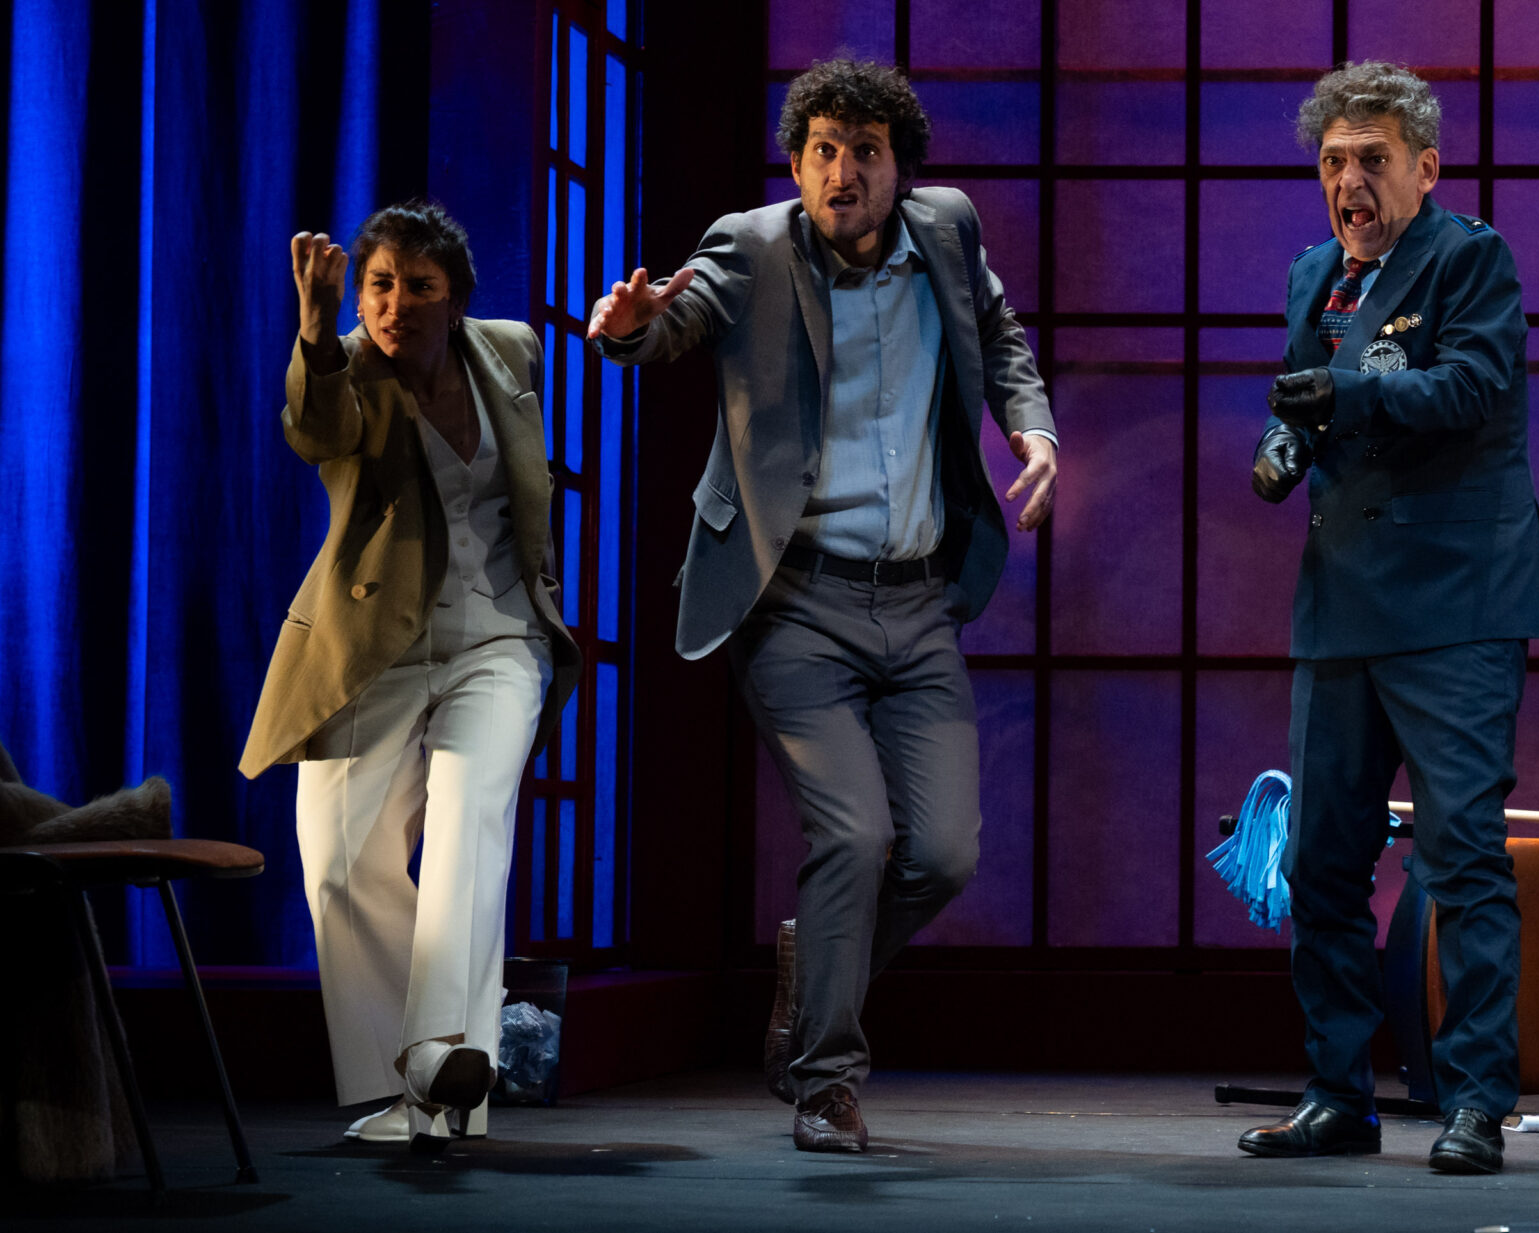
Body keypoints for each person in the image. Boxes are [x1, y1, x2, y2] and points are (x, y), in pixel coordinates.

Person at [587, 59, 1057, 1155]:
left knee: (942, 854)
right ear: (796, 165)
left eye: (866, 152)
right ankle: (827, 1083)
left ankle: (814, 975)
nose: (844, 173)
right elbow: (675, 322)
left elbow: (999, 338)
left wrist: (1031, 429)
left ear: (902, 168)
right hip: (794, 599)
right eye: (823, 152)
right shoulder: (750, 246)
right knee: (852, 834)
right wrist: (629, 327)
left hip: (919, 602)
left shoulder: (948, 230)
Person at [1236, 62, 1539, 1176]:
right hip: (1341, 604)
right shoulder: (1312, 274)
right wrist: (1284, 444)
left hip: (1456, 601)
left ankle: (1475, 1099)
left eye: (1372, 160)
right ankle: (1338, 1094)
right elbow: (1305, 394)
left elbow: (1468, 388)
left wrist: (1345, 396)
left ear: (1424, 168)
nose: (1350, 182)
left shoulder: (1470, 258)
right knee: (1322, 864)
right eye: (1333, 162)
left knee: (1461, 856)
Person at [241, 201, 578, 1152]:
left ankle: (439, 1059)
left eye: (419, 287)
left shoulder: (510, 350)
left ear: (457, 299)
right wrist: (315, 328)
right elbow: (318, 430)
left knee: (471, 818)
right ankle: (418, 1080)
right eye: (379, 285)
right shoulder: (343, 367)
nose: (395, 304)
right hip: (375, 645)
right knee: (338, 861)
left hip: (498, 637)